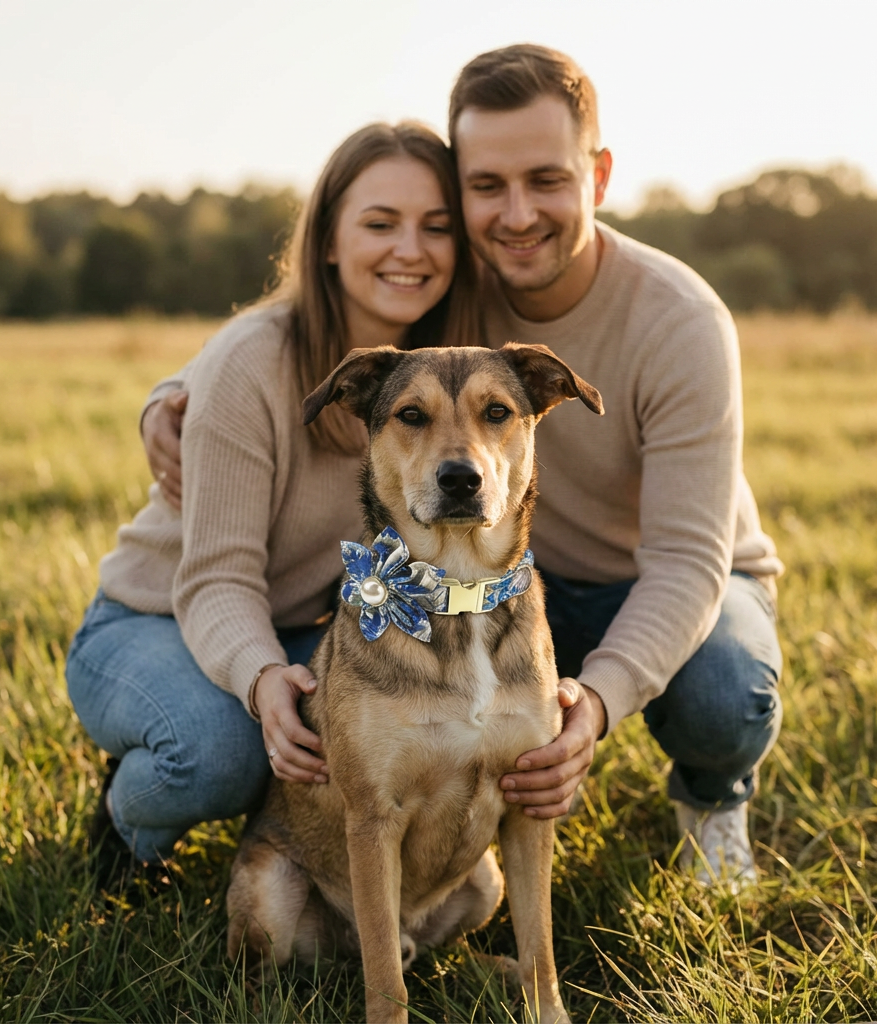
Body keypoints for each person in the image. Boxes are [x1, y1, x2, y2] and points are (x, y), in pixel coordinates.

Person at [141, 45, 785, 885]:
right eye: (486, 187)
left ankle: (713, 798)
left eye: (546, 180)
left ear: (597, 176)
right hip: (488, 576)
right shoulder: (446, 285)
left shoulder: (681, 320)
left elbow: (689, 562)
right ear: (463, 194)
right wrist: (178, 391)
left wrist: (593, 704)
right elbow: (314, 321)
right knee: (310, 715)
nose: (516, 215)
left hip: (652, 579)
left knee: (724, 689)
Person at [66, 121, 479, 870]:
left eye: (436, 227)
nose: (410, 249)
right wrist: (263, 681)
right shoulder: (253, 361)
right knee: (220, 754)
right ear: (327, 239)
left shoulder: (454, 364)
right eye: (380, 224)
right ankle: (125, 825)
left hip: (301, 627)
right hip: (156, 618)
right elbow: (216, 578)